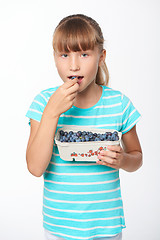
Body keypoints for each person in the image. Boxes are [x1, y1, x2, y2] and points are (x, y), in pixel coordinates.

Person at [26, 14, 143, 240]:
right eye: (64, 54)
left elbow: (137, 158)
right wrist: (52, 112)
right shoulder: (43, 103)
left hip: (107, 227)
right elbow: (35, 167)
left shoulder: (119, 104)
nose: (73, 64)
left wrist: (124, 160)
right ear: (54, 57)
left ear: (101, 56)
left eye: (84, 54)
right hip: (59, 227)